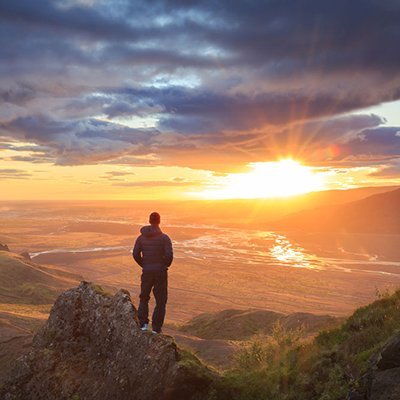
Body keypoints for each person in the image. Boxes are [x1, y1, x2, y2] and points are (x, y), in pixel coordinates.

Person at [132, 212, 173, 334]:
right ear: (159, 221)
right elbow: (169, 256)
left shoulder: (141, 238)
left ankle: (143, 325)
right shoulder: (164, 238)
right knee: (161, 301)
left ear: (149, 221)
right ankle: (156, 329)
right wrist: (164, 265)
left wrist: (144, 265)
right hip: (160, 272)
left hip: (147, 272)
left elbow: (135, 254)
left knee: (144, 297)